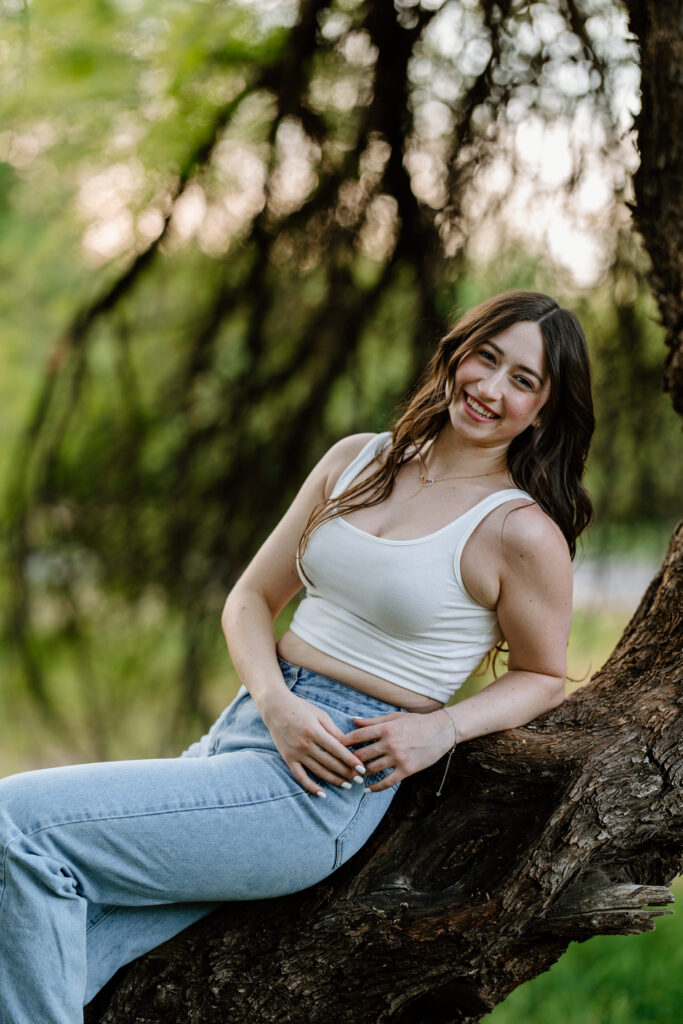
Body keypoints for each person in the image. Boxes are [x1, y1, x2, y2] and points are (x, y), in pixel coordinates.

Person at [0, 289, 594, 1023]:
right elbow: (249, 600)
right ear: (456, 355)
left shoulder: (518, 530)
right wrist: (276, 703)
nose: (491, 388)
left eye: (523, 380)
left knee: (15, 820)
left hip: (322, 784)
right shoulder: (358, 460)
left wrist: (442, 728)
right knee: (41, 938)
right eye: (486, 357)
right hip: (248, 727)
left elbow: (541, 676)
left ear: (542, 410)